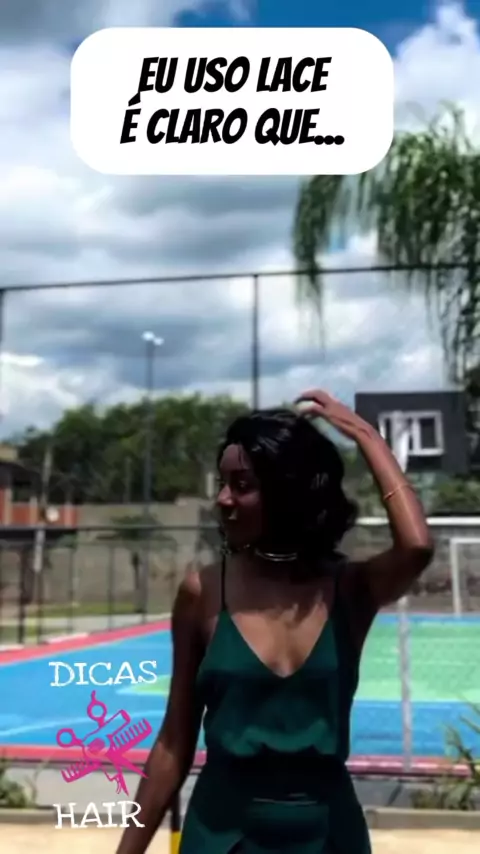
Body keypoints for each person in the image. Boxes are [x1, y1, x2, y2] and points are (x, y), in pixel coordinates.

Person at [115, 389, 434, 854]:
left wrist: (365, 435)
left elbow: (417, 546)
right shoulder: (204, 591)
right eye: (222, 483)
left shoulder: (349, 589)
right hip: (221, 837)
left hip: (330, 835)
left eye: (241, 485)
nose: (223, 499)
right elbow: (172, 743)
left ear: (287, 493)